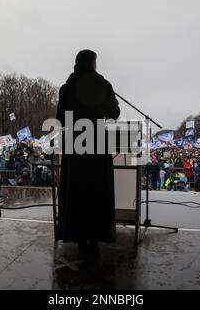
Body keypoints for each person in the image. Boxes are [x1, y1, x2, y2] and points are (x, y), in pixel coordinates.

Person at [56, 50, 120, 255]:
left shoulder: (67, 88)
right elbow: (114, 113)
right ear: (93, 63)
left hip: (75, 146)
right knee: (98, 190)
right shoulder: (103, 85)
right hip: (98, 146)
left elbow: (60, 118)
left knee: (76, 191)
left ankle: (78, 236)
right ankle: (96, 236)